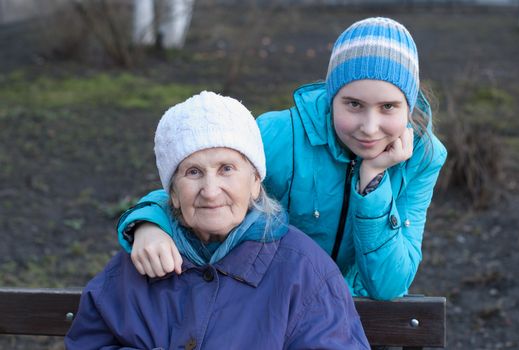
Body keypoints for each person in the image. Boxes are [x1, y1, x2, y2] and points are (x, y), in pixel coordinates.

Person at [117, 17, 447, 301]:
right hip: (265, 306)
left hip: (351, 322)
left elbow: (389, 286)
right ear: (332, 96)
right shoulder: (279, 135)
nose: (370, 128)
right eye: (353, 105)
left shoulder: (423, 157)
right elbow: (200, 184)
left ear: (408, 105)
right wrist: (150, 225)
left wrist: (374, 181)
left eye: (388, 107)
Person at [65, 91, 370, 349]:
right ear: (172, 193)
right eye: (193, 172)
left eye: (226, 168)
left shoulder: (304, 272)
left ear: (254, 182)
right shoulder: (134, 267)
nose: (210, 192)